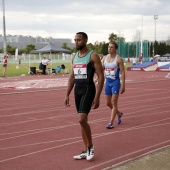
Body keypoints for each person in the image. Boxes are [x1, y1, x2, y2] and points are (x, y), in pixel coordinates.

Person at [64, 32, 104, 161]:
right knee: (82, 122)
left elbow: (101, 76)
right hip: (77, 91)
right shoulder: (74, 56)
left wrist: (97, 97)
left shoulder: (93, 56)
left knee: (81, 119)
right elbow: (72, 77)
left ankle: (90, 147)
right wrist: (67, 94)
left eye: (79, 40)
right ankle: (85, 150)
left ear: (85, 40)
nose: (76, 42)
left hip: (88, 89)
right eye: (75, 40)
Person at [102, 42, 125, 129]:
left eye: (111, 47)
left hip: (115, 82)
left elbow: (122, 72)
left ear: (115, 49)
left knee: (114, 102)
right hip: (107, 82)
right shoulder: (104, 58)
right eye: (108, 47)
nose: (109, 48)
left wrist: (123, 85)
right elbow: (102, 69)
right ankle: (119, 114)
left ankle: (111, 122)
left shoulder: (118, 59)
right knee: (108, 103)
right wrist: (97, 78)